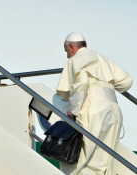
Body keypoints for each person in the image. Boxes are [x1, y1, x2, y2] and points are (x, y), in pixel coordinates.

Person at [56, 32, 133, 175]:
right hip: (113, 110)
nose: (67, 55)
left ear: (72, 47)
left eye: (66, 51)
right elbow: (126, 82)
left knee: (82, 159)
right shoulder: (104, 60)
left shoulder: (75, 60)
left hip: (92, 110)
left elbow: (82, 82)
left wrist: (73, 110)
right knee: (104, 160)